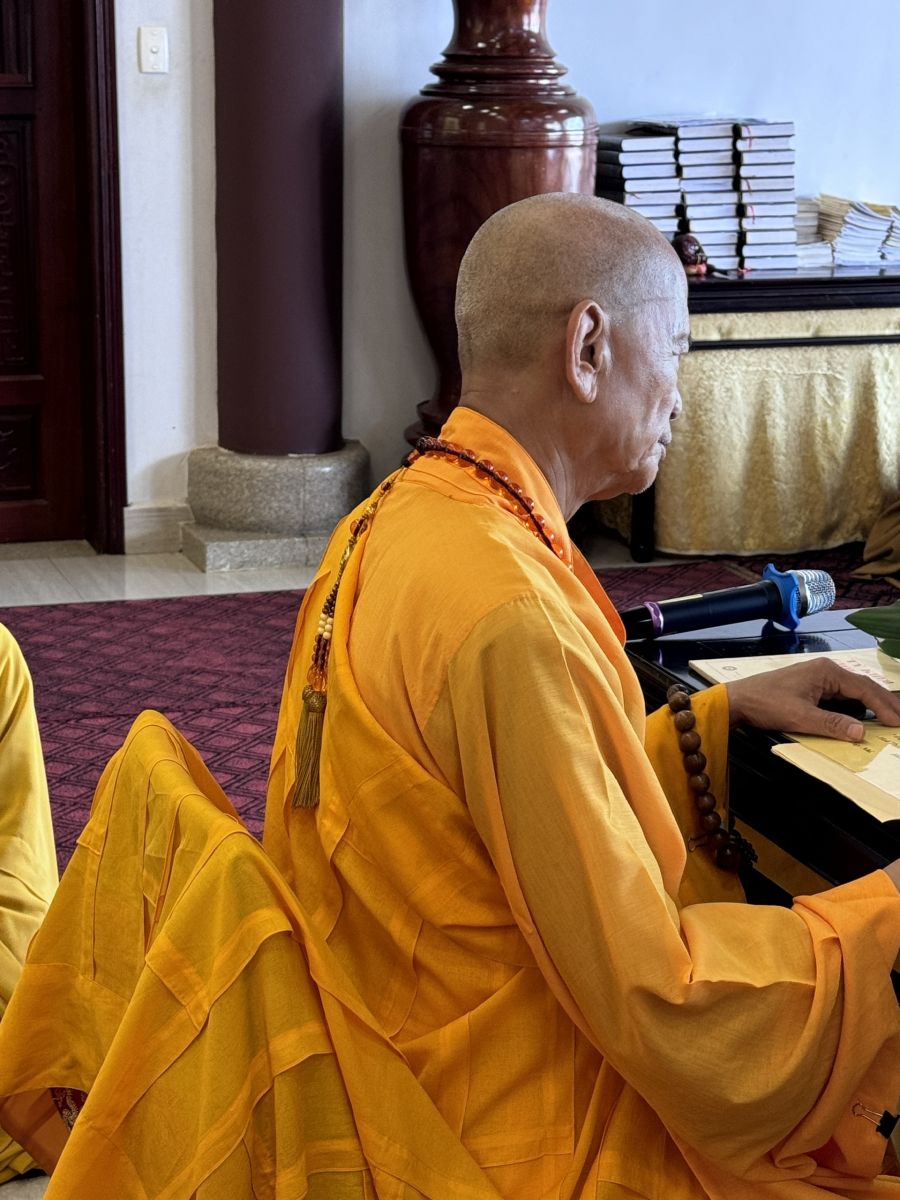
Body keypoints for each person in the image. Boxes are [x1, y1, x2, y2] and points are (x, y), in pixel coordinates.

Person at [0, 193, 898, 1199]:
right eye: (677, 352)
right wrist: (881, 918)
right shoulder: (511, 611)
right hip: (487, 1124)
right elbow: (662, 1005)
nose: (681, 396)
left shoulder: (393, 518)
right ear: (588, 348)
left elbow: (481, 821)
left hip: (377, 1023)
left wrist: (709, 720)